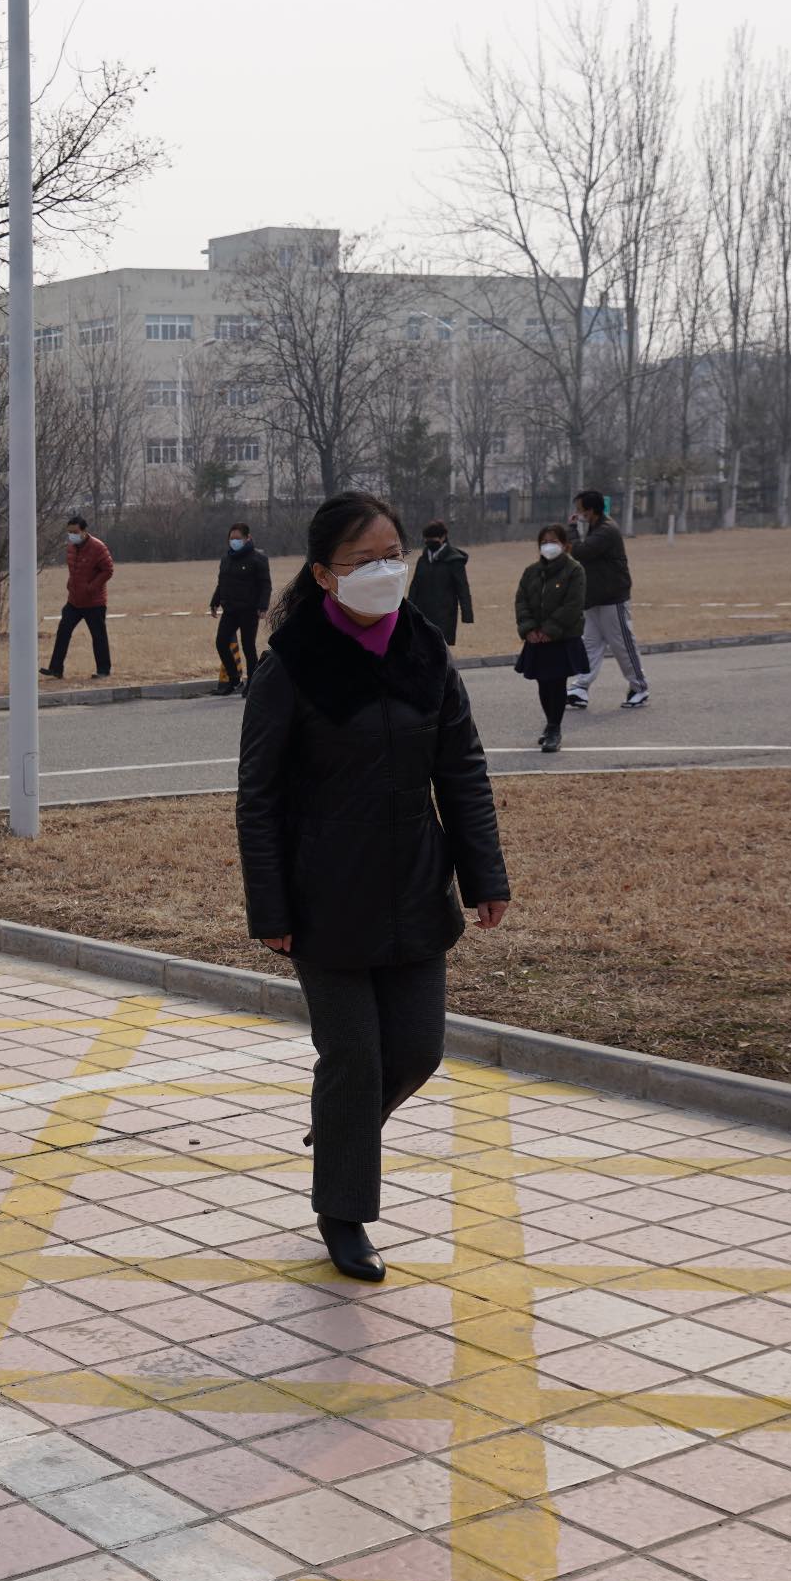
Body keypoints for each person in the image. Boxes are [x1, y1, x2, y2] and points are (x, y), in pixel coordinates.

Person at [238, 489, 511, 1283]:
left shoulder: (424, 649)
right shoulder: (292, 664)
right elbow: (258, 797)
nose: (386, 570)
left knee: (417, 1051)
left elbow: (461, 770)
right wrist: (270, 907)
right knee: (353, 1059)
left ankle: (340, 1127)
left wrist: (483, 875)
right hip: (323, 900)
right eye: (366, 560)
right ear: (324, 574)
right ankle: (343, 1214)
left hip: (416, 887)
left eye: (394, 555)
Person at [564, 489, 648, 712]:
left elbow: (581, 552)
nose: (577, 513)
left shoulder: (606, 530)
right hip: (593, 597)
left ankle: (639, 687)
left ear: (591, 510)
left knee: (622, 644)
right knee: (589, 644)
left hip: (612, 597)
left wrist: (571, 529)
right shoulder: (594, 527)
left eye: (580, 509)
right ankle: (580, 688)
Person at [513, 524, 590, 755]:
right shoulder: (531, 571)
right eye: (544, 542)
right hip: (536, 639)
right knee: (543, 683)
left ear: (565, 545)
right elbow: (521, 601)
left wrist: (549, 630)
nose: (549, 546)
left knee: (557, 684)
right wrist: (529, 629)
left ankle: (555, 728)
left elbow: (573, 604)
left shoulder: (574, 570)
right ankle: (550, 723)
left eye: (554, 541)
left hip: (562, 638)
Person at [42, 512, 114, 678]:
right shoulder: (71, 548)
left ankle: (103, 670)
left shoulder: (98, 547)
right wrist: (70, 584)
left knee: (98, 636)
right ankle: (56, 669)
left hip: (94, 602)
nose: (71, 535)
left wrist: (91, 588)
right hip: (74, 601)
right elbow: (74, 571)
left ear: (84, 531)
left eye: (75, 532)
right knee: (63, 632)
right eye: (69, 532)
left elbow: (108, 570)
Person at [210, 520, 271, 692]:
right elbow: (222, 583)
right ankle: (234, 680)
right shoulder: (226, 559)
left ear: (247, 538)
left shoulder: (258, 559)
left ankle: (253, 683)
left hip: (249, 610)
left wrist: (263, 606)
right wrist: (215, 602)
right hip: (230, 610)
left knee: (248, 647)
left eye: (237, 538)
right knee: (221, 642)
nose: (234, 541)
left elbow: (265, 584)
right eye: (231, 538)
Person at [407, 520, 474, 647]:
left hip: (444, 614)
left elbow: (463, 589)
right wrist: (408, 610)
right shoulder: (423, 560)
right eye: (427, 539)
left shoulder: (455, 561)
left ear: (443, 537)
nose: (429, 542)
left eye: (433, 539)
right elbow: (414, 586)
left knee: (440, 647)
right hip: (422, 613)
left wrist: (467, 614)